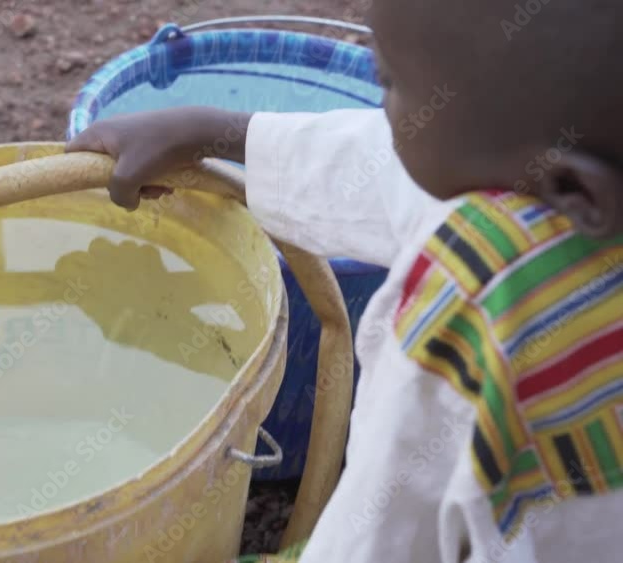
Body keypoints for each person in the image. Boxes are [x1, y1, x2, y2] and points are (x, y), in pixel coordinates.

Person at [65, 0, 623, 561]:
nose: (383, 106)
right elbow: (396, 166)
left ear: (574, 189)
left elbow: (383, 531)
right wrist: (214, 133)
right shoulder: (563, 190)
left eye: (390, 82)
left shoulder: (479, 294)